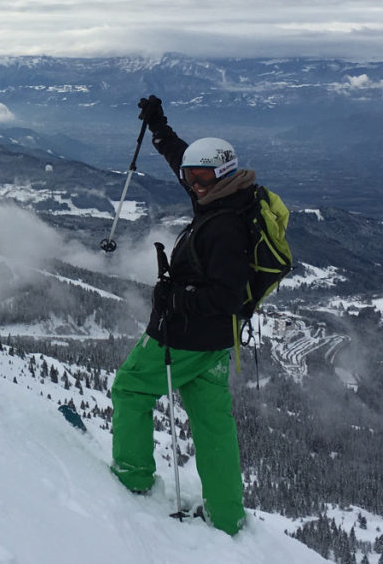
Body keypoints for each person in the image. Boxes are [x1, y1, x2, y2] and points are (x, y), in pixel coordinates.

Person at [110, 95, 253, 536]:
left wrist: (177, 302)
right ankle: (227, 516)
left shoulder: (225, 226)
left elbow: (228, 296)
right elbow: (184, 164)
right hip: (214, 342)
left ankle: (131, 478)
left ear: (223, 175)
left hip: (186, 334)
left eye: (202, 177)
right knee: (212, 423)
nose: (194, 185)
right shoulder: (225, 199)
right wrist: (160, 129)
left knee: (132, 388)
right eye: (191, 177)